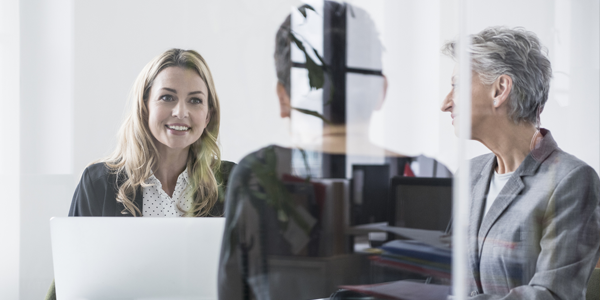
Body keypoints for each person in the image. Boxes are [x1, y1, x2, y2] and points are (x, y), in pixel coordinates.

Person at [44, 49, 235, 299]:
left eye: (195, 100)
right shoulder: (98, 182)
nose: (180, 112)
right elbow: (71, 281)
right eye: (167, 97)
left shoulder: (232, 181)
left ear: (208, 114)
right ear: (144, 106)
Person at [440, 26, 600, 299]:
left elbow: (553, 295)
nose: (445, 103)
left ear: (500, 89)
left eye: (457, 85)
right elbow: (445, 274)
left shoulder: (571, 180)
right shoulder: (469, 174)